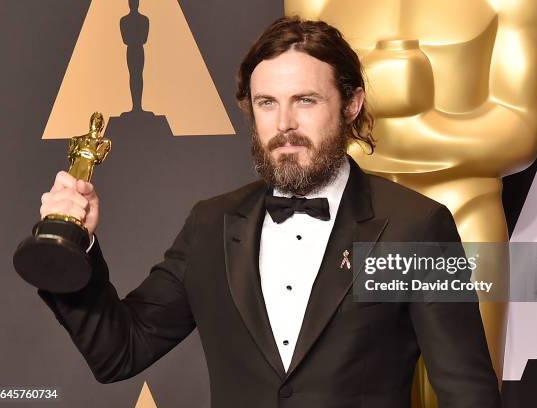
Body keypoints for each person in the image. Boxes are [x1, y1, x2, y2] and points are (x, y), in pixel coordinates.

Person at [36, 16, 500, 407]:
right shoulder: (210, 224)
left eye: (305, 100)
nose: (284, 125)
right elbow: (121, 352)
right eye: (267, 103)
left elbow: (467, 392)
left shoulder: (414, 226)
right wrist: (70, 249)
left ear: (352, 104)